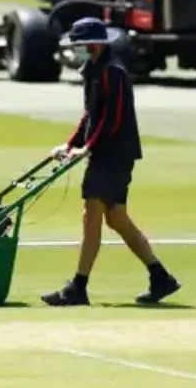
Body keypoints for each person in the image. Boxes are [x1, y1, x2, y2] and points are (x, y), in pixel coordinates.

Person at [42, 18, 181, 307]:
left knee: (91, 214)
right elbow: (90, 115)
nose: (76, 50)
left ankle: (78, 286)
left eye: (79, 45)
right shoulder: (93, 69)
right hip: (107, 153)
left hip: (114, 154)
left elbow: (113, 118)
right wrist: (70, 144)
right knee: (116, 217)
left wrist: (88, 148)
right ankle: (160, 277)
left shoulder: (112, 72)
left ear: (93, 44)